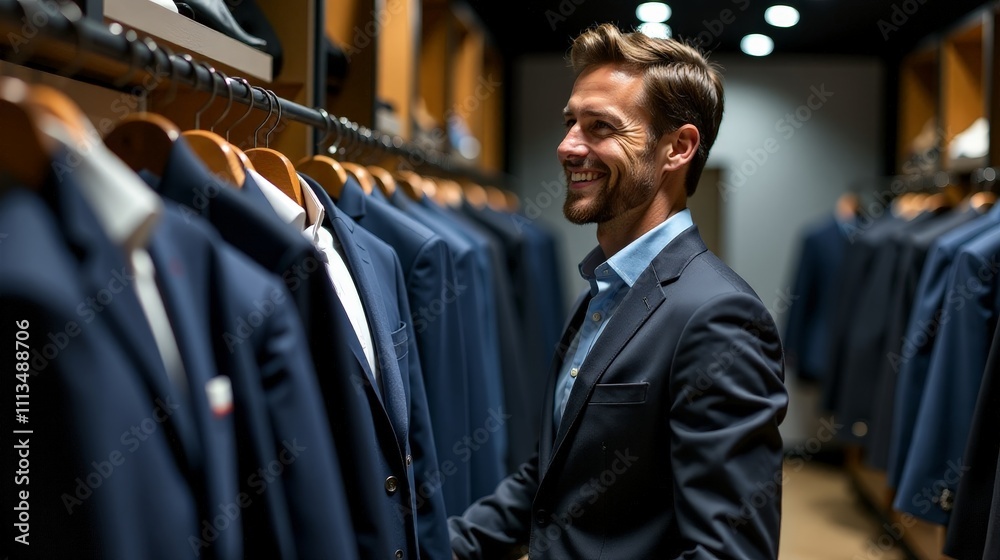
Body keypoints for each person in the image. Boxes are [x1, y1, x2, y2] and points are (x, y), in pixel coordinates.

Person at [447, 23, 788, 559]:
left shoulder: (719, 316)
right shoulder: (604, 291)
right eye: (569, 123)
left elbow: (730, 552)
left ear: (679, 147)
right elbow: (556, 475)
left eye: (600, 127)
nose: (566, 146)